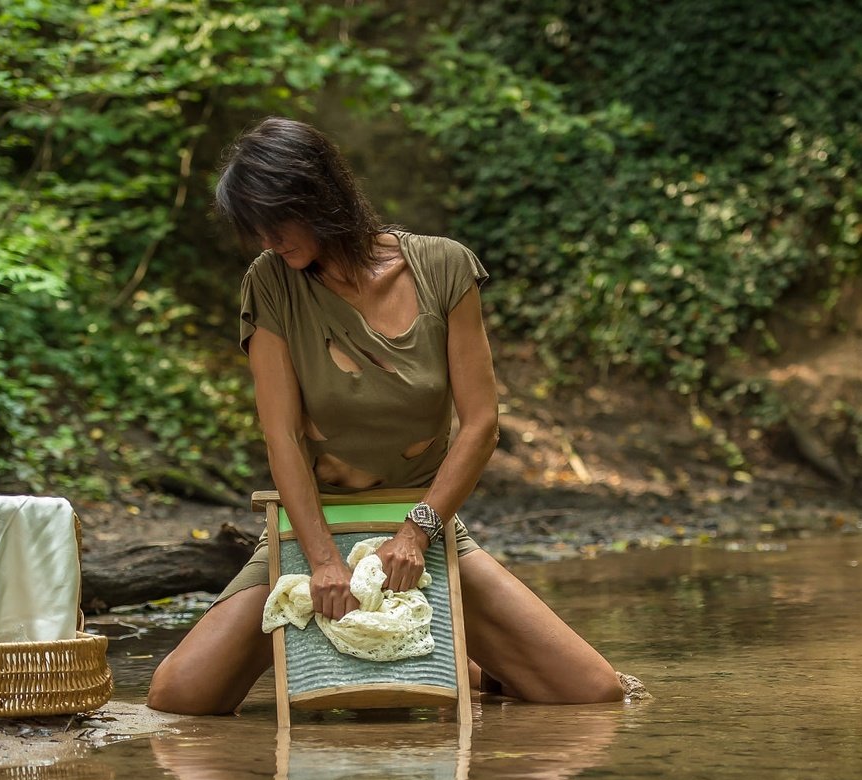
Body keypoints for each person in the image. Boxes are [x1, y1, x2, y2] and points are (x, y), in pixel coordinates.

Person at [147, 117, 628, 715]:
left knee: (593, 695)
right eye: (255, 229)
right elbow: (283, 437)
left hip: (420, 526)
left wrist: (415, 532)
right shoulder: (271, 282)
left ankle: (457, 660)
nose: (267, 240)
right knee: (179, 697)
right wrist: (321, 563)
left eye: (275, 221)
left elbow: (481, 425)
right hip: (311, 527)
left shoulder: (444, 268)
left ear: (316, 194)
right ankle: (406, 650)